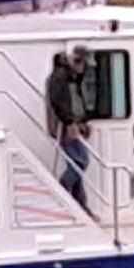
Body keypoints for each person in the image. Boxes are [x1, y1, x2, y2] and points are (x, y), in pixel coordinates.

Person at [46, 44, 92, 210]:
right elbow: (59, 103)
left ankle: (79, 205)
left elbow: (77, 101)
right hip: (65, 128)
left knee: (76, 165)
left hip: (73, 126)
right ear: (76, 61)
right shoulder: (59, 77)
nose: (84, 68)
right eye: (83, 63)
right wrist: (69, 123)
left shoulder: (72, 77)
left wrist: (83, 120)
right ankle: (62, 190)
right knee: (80, 162)